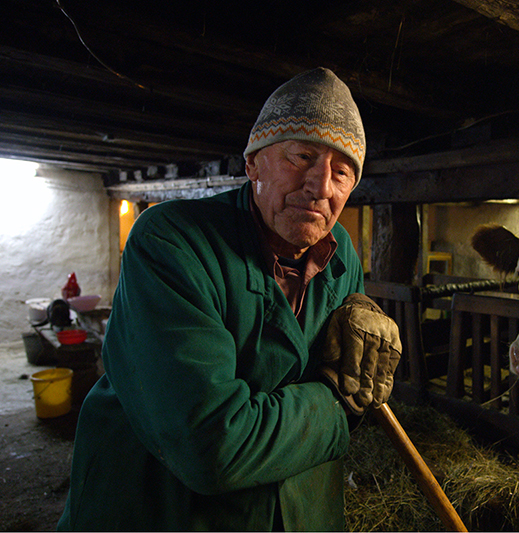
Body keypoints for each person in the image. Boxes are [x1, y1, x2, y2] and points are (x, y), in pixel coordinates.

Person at [57, 67, 402, 531]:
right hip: (159, 511)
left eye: (342, 173)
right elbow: (211, 448)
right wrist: (336, 405)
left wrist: (361, 312)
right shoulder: (172, 241)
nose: (320, 186)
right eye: (301, 156)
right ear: (253, 162)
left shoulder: (343, 259)